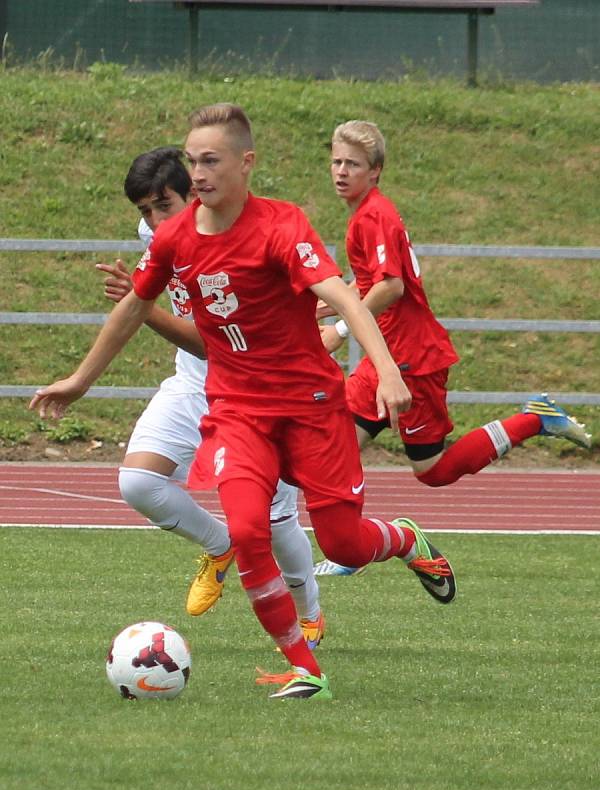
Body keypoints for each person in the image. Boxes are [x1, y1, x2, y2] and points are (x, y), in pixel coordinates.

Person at [30, 104, 456, 701]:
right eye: (193, 161)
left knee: (342, 542)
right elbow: (133, 307)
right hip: (237, 409)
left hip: (309, 405)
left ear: (245, 163)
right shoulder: (175, 236)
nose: (198, 173)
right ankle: (306, 667)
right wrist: (79, 379)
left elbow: (345, 296)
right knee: (250, 530)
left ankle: (406, 540)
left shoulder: (281, 226)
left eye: (210, 161)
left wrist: (385, 369)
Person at [315, 119, 591, 577]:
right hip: (387, 357)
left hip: (411, 360)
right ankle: (352, 546)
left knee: (434, 470)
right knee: (338, 445)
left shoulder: (374, 216)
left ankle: (534, 419)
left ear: (376, 170)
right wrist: (327, 306)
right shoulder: (365, 214)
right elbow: (368, 282)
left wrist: (341, 329)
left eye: (353, 164)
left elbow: (391, 287)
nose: (341, 171)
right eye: (336, 161)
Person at [95, 146, 325, 648]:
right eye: (145, 212)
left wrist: (142, 305)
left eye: (164, 206)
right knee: (137, 482)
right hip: (195, 383)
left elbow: (212, 337)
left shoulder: (244, 232)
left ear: (196, 195)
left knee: (276, 519)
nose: (155, 223)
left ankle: (310, 614)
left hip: (259, 390)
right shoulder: (158, 236)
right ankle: (222, 548)